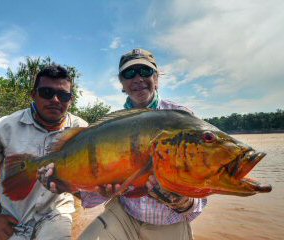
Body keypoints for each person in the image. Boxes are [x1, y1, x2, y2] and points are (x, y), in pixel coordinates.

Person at [41, 49, 207, 240]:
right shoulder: (111, 126)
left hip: (169, 223)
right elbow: (96, 190)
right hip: (124, 216)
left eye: (145, 71)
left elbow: (202, 187)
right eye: (129, 73)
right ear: (122, 84)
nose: (137, 78)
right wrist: (85, 188)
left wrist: (182, 202)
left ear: (157, 79)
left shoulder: (181, 117)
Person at [0, 65, 88, 240]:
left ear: (71, 100)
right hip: (11, 217)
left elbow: (91, 179)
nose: (55, 100)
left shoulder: (83, 131)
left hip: (56, 215)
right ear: (33, 94)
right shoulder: (3, 128)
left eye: (63, 95)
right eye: (46, 92)